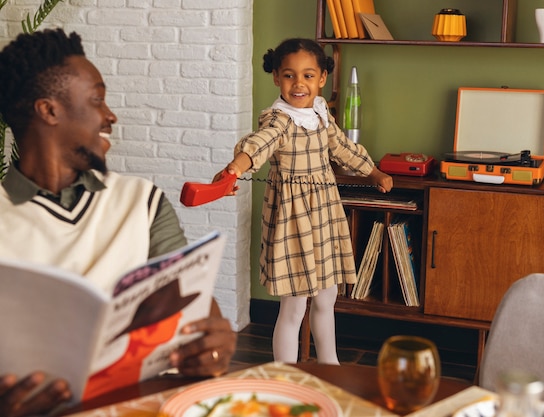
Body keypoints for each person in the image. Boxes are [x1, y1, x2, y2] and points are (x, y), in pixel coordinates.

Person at [0, 28, 237, 416]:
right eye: (97, 99)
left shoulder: (140, 202)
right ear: (49, 111)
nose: (110, 116)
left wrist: (212, 346)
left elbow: (197, 312)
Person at [214, 38, 393, 365]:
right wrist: (235, 169)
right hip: (292, 221)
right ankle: (286, 374)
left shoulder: (321, 114)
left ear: (322, 78)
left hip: (324, 215)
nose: (299, 84)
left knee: (327, 298)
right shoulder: (279, 120)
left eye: (308, 76)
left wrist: (374, 172)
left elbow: (342, 148)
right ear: (276, 78)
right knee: (294, 306)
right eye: (289, 76)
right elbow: (259, 145)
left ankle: (330, 366)